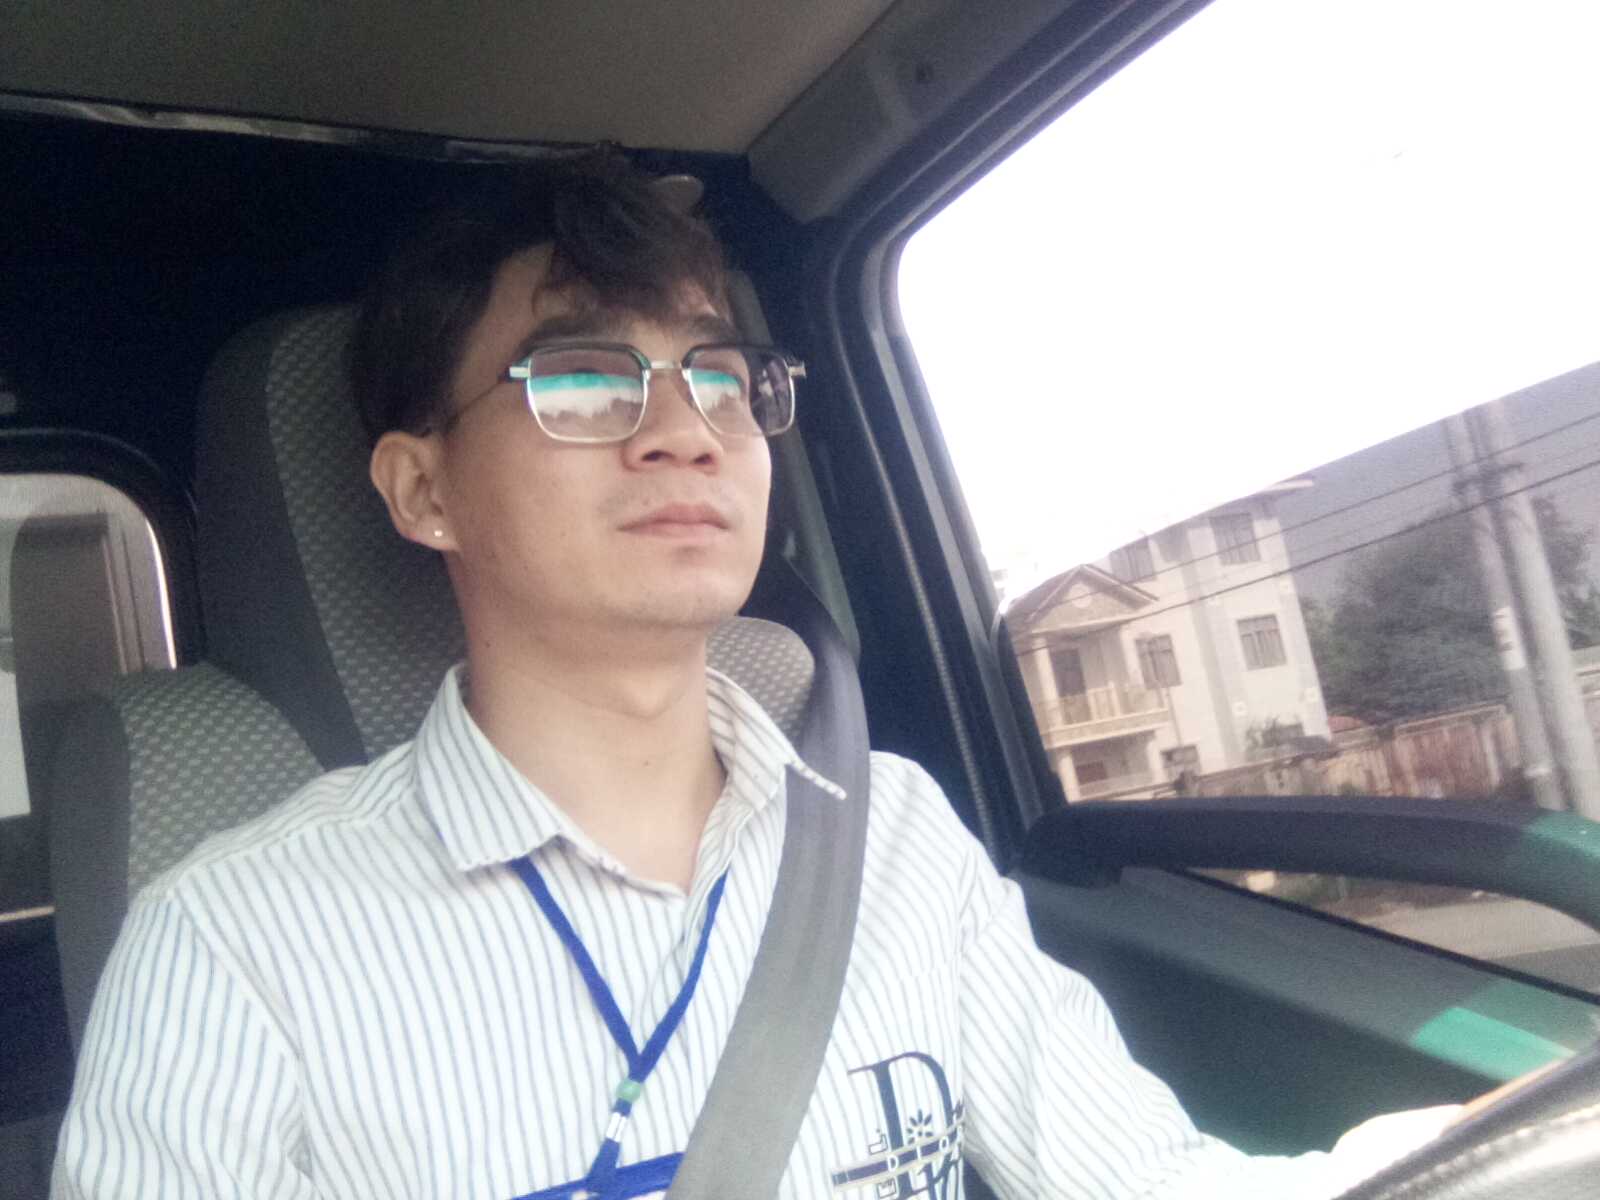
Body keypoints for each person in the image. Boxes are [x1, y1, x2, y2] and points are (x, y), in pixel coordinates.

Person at [53, 155, 1464, 1199]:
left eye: (722, 380)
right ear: (425, 491)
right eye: (583, 379)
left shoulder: (891, 834)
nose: (688, 431)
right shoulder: (234, 947)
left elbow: (1145, 1183)